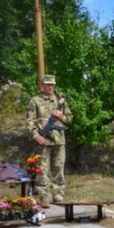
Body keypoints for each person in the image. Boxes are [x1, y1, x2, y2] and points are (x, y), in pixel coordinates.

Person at [25, 74, 72, 208]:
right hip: (43, 140)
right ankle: (45, 196)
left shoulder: (60, 101)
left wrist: (61, 115)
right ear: (42, 86)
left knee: (59, 168)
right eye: (48, 84)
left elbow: (69, 119)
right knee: (42, 169)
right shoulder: (35, 101)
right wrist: (36, 136)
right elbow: (30, 121)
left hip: (59, 140)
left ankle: (58, 194)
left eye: (52, 84)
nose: (50, 87)